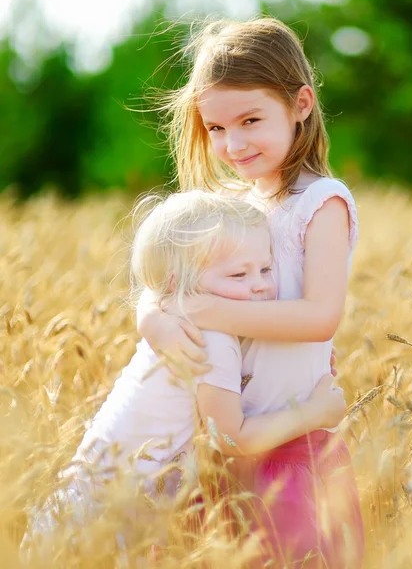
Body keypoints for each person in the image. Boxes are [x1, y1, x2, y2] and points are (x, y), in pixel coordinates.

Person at [138, 17, 365, 567]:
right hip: (219, 446)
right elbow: (163, 281)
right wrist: (155, 319)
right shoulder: (233, 208)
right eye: (215, 129)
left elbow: (319, 318)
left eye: (250, 120)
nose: (232, 143)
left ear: (301, 104)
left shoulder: (321, 202)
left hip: (290, 443)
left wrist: (209, 311)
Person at [21, 190, 346, 562]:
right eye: (240, 273)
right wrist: (317, 412)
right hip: (102, 522)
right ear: (180, 282)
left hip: (94, 506)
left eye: (266, 268)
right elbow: (232, 437)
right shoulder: (210, 339)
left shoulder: (181, 316)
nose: (260, 284)